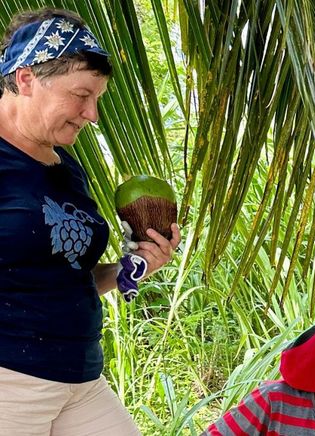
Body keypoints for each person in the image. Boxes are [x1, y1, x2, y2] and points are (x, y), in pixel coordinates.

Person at [0, 8, 180, 435]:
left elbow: (64, 277)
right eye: (82, 95)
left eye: (97, 99)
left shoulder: (66, 169)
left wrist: (126, 270)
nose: (92, 114)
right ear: (26, 80)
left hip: (79, 378)